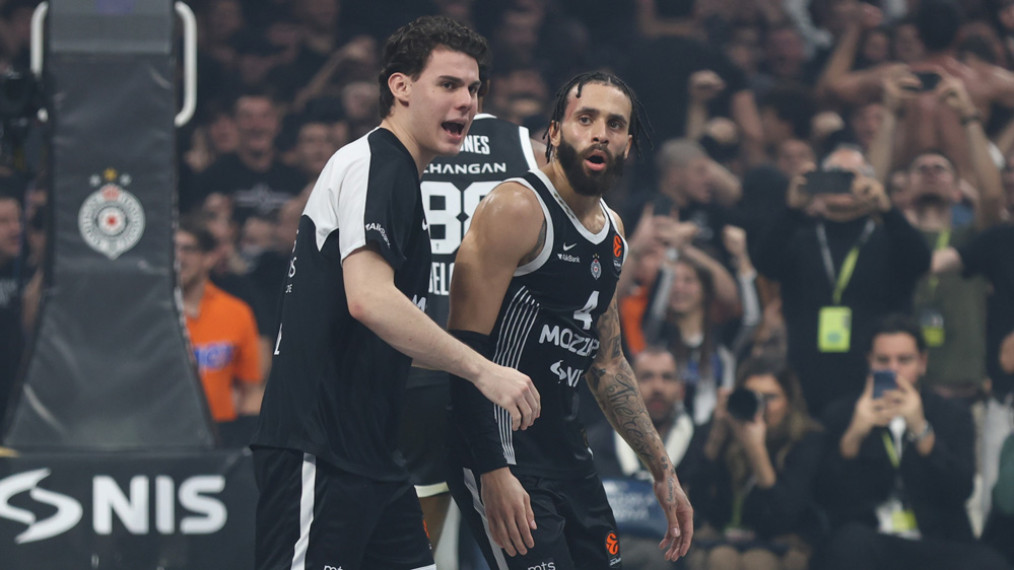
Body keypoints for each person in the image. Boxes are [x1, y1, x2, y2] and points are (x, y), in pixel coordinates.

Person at [250, 17, 540, 570]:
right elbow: (369, 299)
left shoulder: (400, 173)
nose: (466, 102)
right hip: (320, 447)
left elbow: (384, 322)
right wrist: (483, 370)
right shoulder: (377, 163)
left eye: (474, 88)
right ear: (400, 87)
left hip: (374, 455)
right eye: (448, 84)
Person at [445, 71, 693, 570]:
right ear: (555, 132)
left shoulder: (613, 232)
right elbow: (464, 353)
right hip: (501, 450)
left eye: (615, 124)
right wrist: (492, 471)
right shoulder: (516, 207)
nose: (600, 133)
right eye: (586, 119)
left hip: (567, 452)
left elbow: (607, 363)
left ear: (628, 144)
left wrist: (662, 469)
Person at [400, 79, 546, 549]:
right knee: (522, 534)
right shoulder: (530, 152)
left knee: (417, 534)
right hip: (502, 369)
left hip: (419, 357)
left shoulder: (398, 145)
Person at [817, 313, 1009, 570]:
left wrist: (921, 430)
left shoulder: (951, 414)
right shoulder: (841, 413)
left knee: (990, 562)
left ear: (922, 362)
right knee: (848, 544)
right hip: (873, 541)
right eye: (883, 360)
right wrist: (854, 434)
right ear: (869, 362)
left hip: (934, 544)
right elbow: (825, 495)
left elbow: (961, 489)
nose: (894, 369)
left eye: (904, 360)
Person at [752, 145, 931, 416]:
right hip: (808, 379)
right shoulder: (801, 236)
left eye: (854, 176)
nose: (845, 183)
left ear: (870, 182)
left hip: (874, 381)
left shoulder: (888, 238)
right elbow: (764, 262)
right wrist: (791, 209)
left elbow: (920, 262)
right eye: (835, 175)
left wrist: (886, 209)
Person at [686, 356, 823, 570]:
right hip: (722, 537)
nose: (761, 406)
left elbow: (785, 517)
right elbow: (696, 500)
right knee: (722, 560)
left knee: (758, 563)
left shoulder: (806, 440)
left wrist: (756, 450)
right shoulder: (721, 431)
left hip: (781, 541)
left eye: (770, 397)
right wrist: (717, 436)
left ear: (790, 402)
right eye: (752, 396)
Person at [587, 346, 697, 570]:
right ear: (627, 384)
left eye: (667, 378)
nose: (657, 387)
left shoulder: (699, 443)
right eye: (646, 377)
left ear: (681, 389)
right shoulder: (595, 441)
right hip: (611, 546)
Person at [175, 217, 263, 443]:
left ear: (209, 258)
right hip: (165, 434)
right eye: (173, 249)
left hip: (222, 436)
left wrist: (245, 441)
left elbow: (252, 390)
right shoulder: (153, 313)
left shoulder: (236, 312)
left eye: (188, 249)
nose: (179, 257)